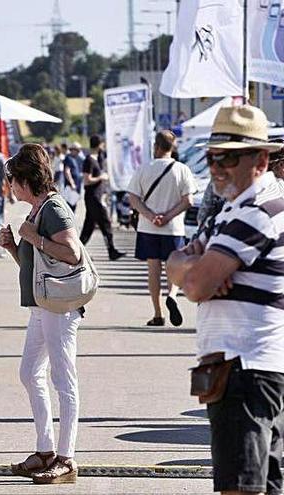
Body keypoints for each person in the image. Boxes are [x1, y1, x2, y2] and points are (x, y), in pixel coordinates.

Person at [167, 105, 284, 495]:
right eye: (212, 157)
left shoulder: (256, 213)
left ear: (261, 160)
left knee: (242, 488)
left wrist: (194, 267)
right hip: (242, 368)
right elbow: (177, 263)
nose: (217, 167)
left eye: (229, 157)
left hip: (245, 369)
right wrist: (193, 265)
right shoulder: (232, 210)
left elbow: (196, 285)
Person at [0, 143, 83, 484]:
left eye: (14, 181)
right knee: (30, 372)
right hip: (43, 305)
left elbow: (73, 254)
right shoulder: (38, 208)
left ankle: (67, 458)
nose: (11, 188)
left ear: (26, 179)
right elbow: (38, 268)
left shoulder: (53, 209)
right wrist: (15, 248)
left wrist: (33, 236)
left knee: (64, 381)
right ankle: (46, 449)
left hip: (59, 309)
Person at [126, 130, 196, 327]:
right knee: (173, 268)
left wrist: (150, 215)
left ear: (156, 146)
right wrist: (168, 216)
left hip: (148, 227)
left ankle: (157, 313)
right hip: (173, 228)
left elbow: (133, 198)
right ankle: (172, 294)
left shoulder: (144, 168)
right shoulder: (182, 169)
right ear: (172, 148)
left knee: (153, 270)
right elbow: (188, 201)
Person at [79, 135, 124, 260]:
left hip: (97, 196)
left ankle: (76, 251)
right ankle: (111, 251)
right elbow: (87, 180)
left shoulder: (97, 159)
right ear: (99, 145)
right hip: (93, 197)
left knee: (89, 226)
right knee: (105, 223)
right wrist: (101, 178)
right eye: (102, 144)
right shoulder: (88, 160)